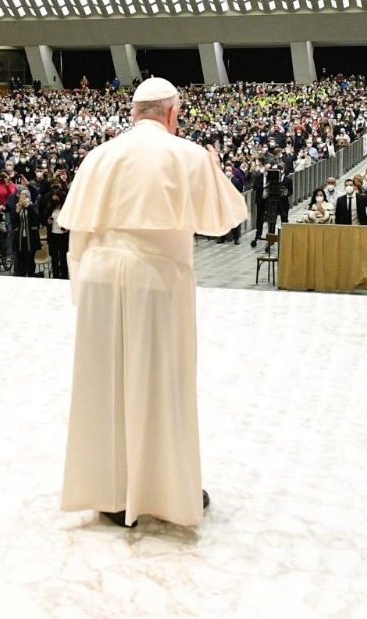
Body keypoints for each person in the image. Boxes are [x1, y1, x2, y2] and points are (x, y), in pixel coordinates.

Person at [59, 77, 248, 528]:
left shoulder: (99, 155)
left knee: (105, 385)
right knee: (162, 385)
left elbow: (77, 230)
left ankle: (111, 493)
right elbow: (222, 222)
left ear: (132, 114)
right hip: (157, 279)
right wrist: (214, 169)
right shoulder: (189, 153)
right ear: (171, 114)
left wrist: (81, 286)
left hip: (101, 275)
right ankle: (164, 492)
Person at [9, 189, 41, 276]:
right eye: (21, 195)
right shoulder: (17, 206)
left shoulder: (33, 206)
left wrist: (28, 206)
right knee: (20, 260)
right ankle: (21, 277)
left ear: (29, 197)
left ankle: (31, 276)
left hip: (31, 237)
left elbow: (36, 219)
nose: (23, 197)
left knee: (30, 260)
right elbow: (13, 221)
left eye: (25, 195)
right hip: (19, 237)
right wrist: (16, 211)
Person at [45, 190, 70, 279]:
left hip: (63, 235)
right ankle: (55, 275)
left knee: (63, 257)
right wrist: (48, 222)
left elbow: (69, 222)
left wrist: (67, 228)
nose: (55, 201)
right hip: (53, 235)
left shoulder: (66, 209)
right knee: (54, 257)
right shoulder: (50, 209)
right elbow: (45, 220)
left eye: (57, 199)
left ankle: (64, 275)